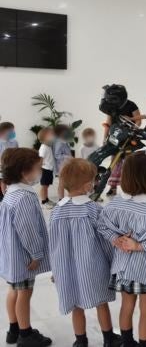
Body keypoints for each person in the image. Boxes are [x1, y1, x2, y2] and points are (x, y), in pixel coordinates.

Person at [97, 151, 146, 347]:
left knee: (127, 305)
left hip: (123, 267)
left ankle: (127, 343)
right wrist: (139, 246)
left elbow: (102, 225)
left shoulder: (118, 202)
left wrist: (117, 239)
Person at [49, 158, 121, 347]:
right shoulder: (93, 209)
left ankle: (80, 341)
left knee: (76, 306)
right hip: (93, 267)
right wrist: (113, 262)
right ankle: (109, 338)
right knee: (101, 302)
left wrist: (55, 270)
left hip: (67, 270)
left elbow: (54, 244)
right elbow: (106, 240)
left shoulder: (57, 211)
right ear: (88, 184)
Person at [0, 148, 53, 347]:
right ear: (24, 171)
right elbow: (27, 230)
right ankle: (25, 334)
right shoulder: (24, 197)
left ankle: (13, 329)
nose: (40, 172)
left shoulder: (10, 193)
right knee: (24, 292)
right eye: (38, 168)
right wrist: (36, 254)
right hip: (23, 255)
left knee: (14, 289)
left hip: (11, 252)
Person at [100, 84, 142, 196]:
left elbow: (138, 119)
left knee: (129, 162)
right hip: (115, 136)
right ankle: (113, 187)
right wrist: (104, 138)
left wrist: (134, 129)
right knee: (114, 161)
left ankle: (130, 187)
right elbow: (108, 123)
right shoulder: (111, 106)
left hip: (129, 137)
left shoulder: (131, 105)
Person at [53, 124, 73, 200]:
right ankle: (61, 199)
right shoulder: (59, 142)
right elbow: (57, 155)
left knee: (68, 182)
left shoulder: (64, 141)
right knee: (61, 183)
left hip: (66, 165)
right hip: (61, 166)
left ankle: (70, 197)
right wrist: (68, 157)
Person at [37, 127, 56, 208]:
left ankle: (46, 199)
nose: (53, 136)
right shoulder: (44, 147)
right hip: (45, 170)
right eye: (51, 134)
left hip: (49, 169)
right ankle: (43, 201)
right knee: (44, 186)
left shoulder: (48, 146)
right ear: (44, 137)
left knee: (46, 186)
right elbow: (40, 159)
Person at [0, 122, 18, 201]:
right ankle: (4, 195)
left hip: (13, 164)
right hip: (2, 165)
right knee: (3, 180)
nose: (13, 132)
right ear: (2, 132)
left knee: (12, 180)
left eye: (13, 130)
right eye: (10, 130)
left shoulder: (14, 142)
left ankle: (12, 193)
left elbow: (18, 152)